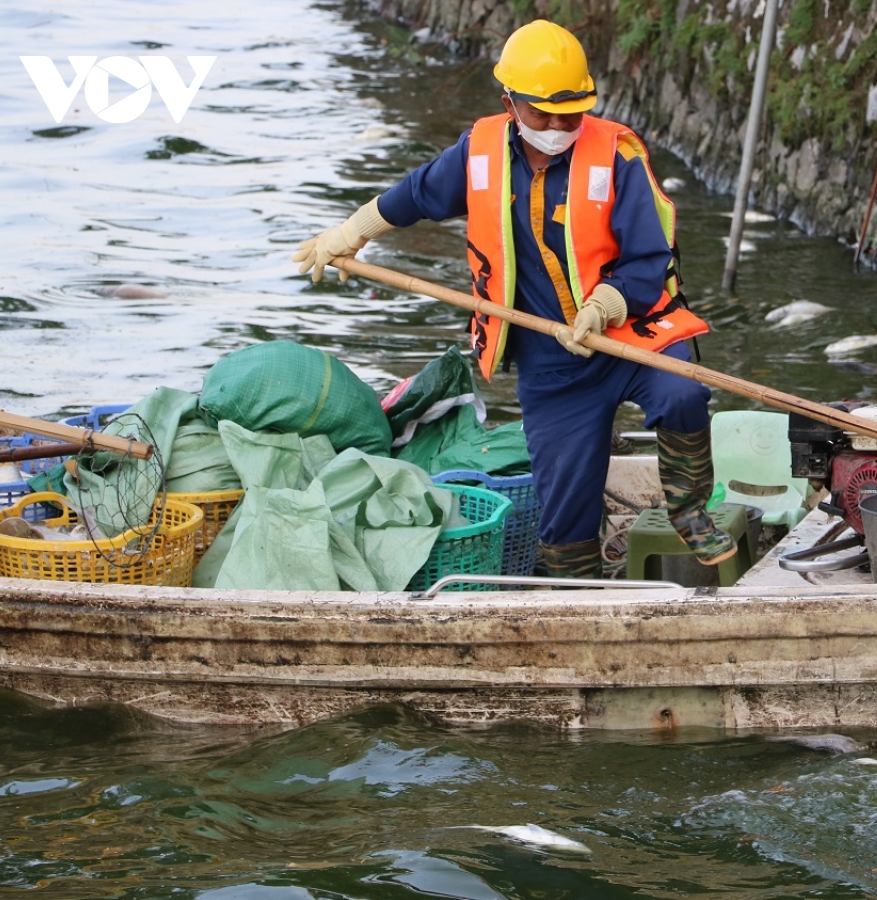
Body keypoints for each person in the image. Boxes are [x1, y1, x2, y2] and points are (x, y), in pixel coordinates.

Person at [291, 19, 734, 579]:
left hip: (630, 333)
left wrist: (606, 304)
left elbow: (652, 255)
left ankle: (690, 510)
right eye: (541, 112)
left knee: (682, 391)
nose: (556, 125)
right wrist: (351, 232)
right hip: (550, 357)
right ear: (509, 103)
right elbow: (417, 194)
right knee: (563, 532)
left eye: (569, 112)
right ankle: (575, 595)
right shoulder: (480, 152)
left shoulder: (616, 155)